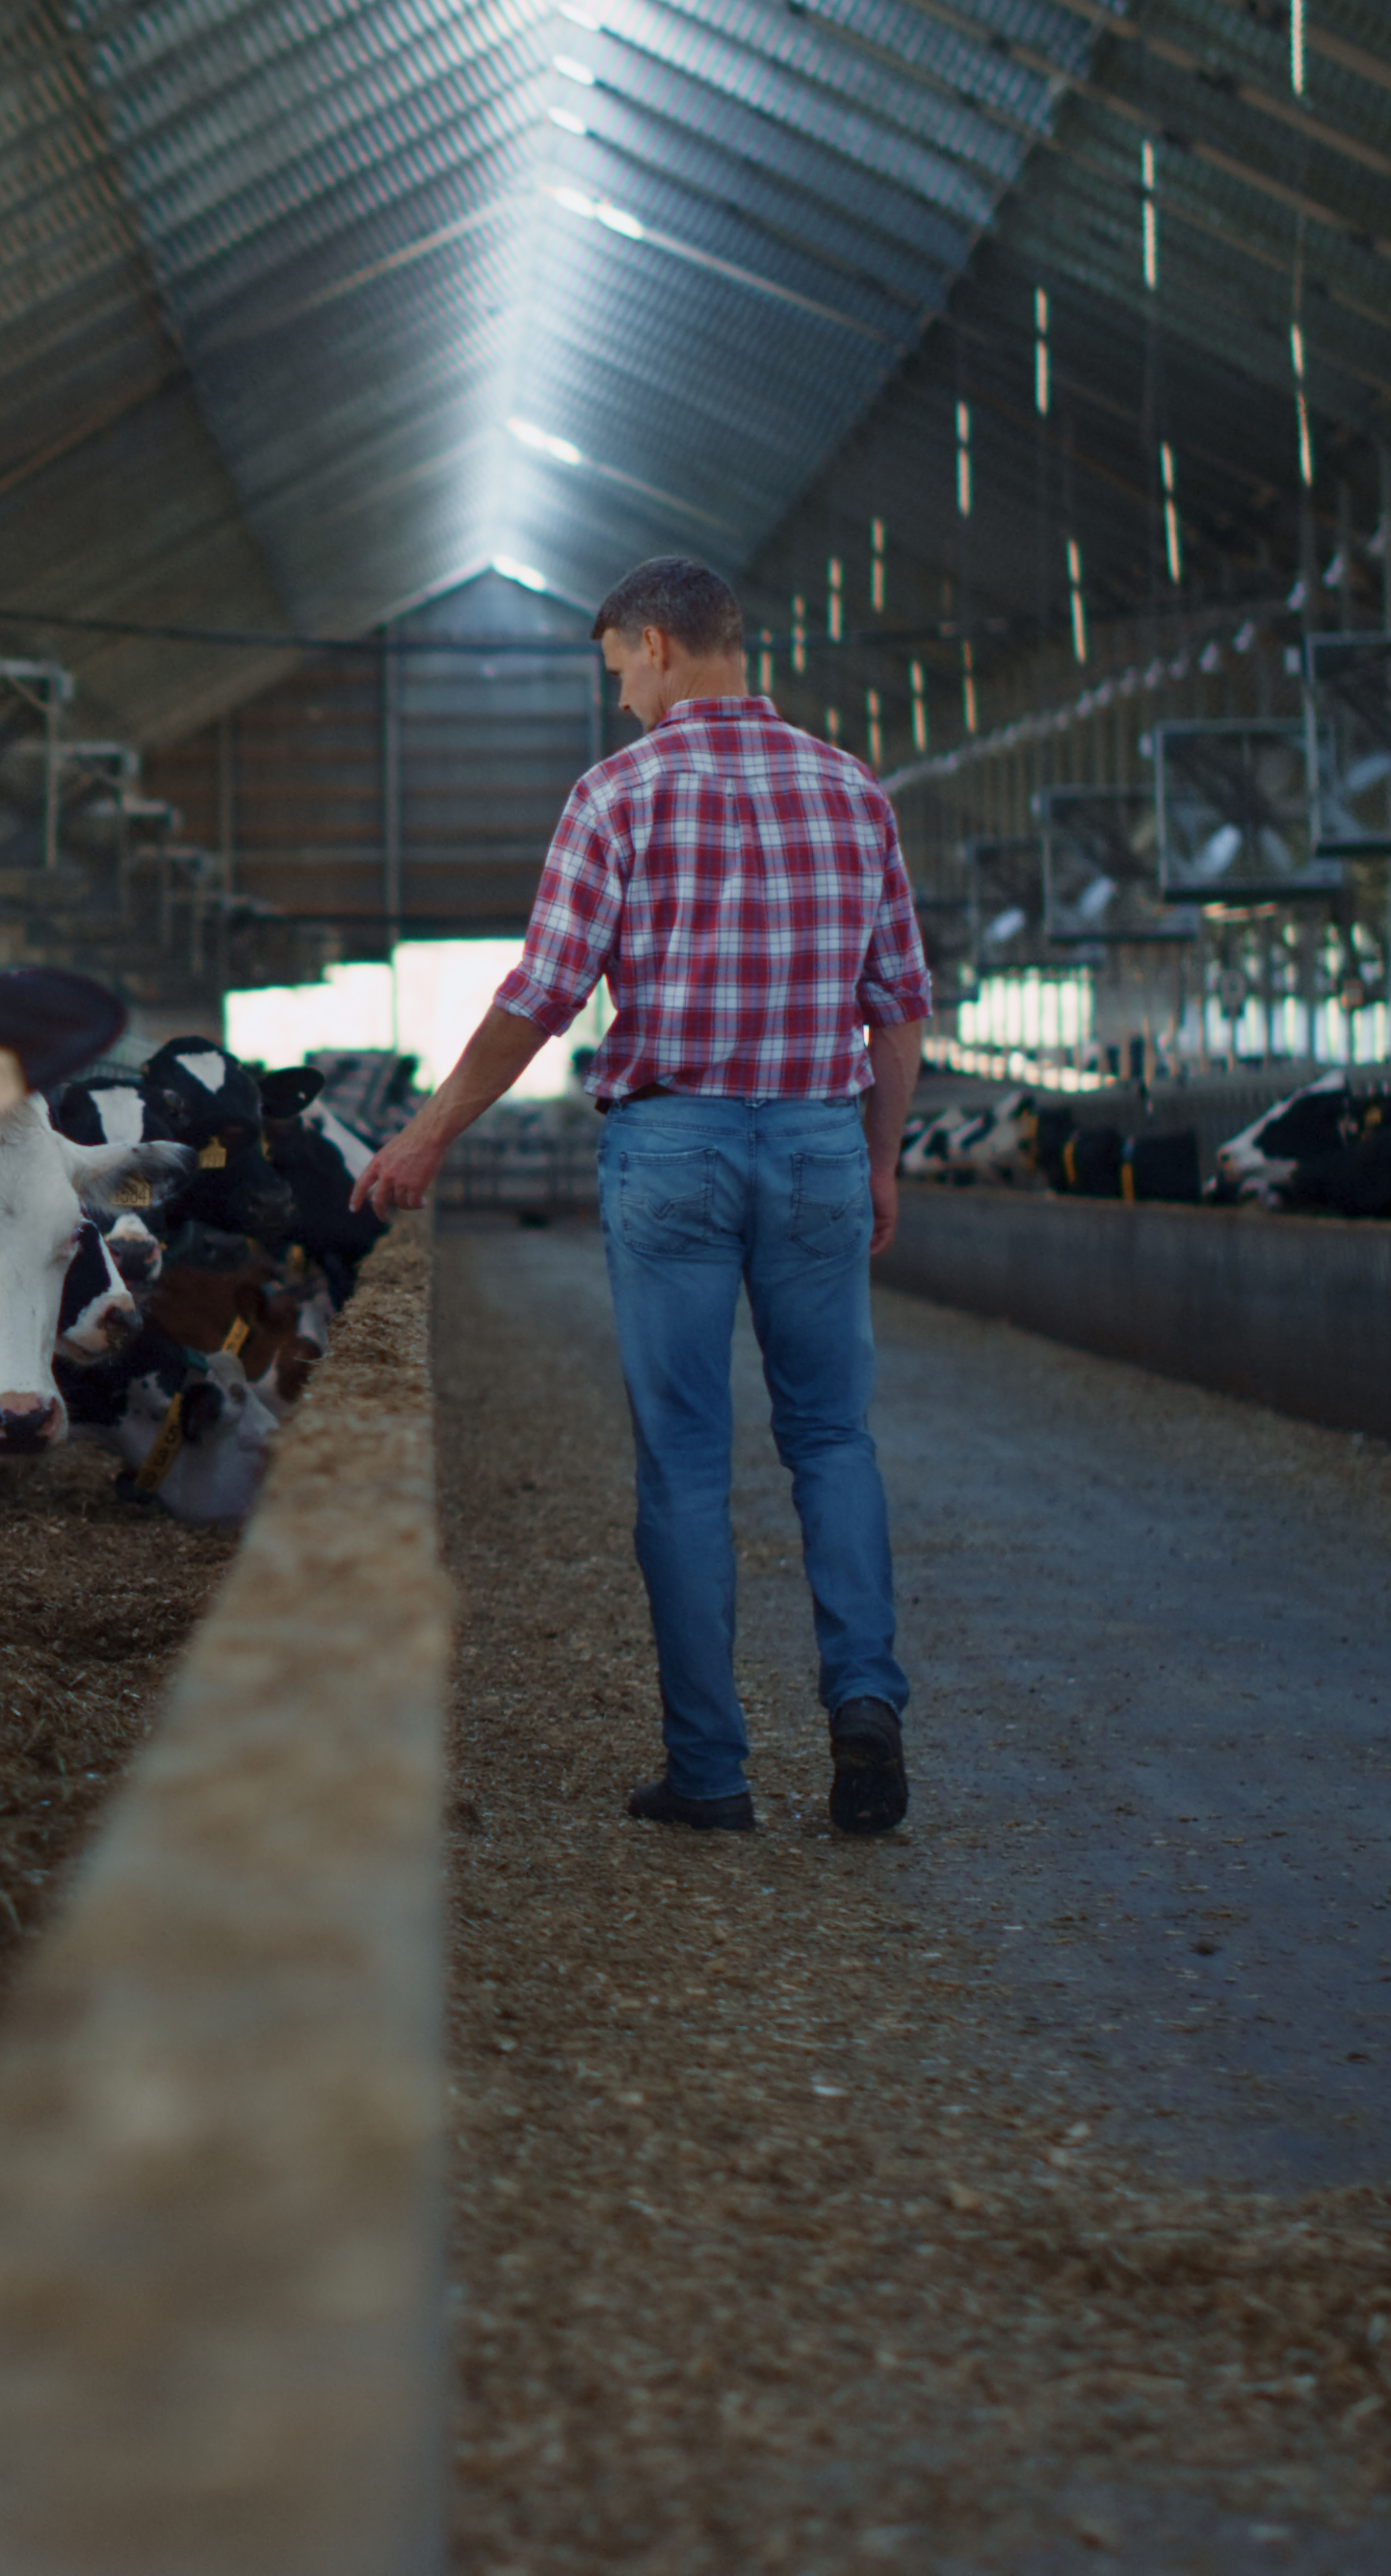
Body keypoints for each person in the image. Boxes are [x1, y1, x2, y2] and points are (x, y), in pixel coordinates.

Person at [353, 555, 930, 1838]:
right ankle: (864, 1706)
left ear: (660, 647)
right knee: (831, 1440)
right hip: (820, 1144)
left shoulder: (618, 794)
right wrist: (879, 1158)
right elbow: (898, 1012)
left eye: (619, 669)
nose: (618, 699)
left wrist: (429, 1135)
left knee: (683, 1461)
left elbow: (542, 996)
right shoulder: (853, 793)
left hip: (672, 1148)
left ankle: (713, 1776)